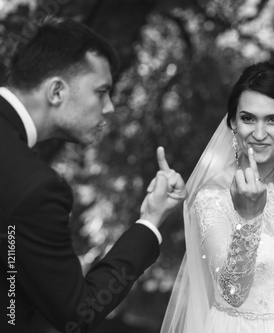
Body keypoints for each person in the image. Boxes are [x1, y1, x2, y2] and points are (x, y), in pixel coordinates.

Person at [0, 18, 187, 333]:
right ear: (57, 90)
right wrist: (151, 220)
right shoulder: (36, 188)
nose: (110, 107)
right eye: (101, 92)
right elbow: (77, 313)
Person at [161, 62, 274, 333]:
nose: (259, 134)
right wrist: (249, 218)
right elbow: (232, 293)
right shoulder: (212, 196)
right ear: (233, 123)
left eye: (273, 119)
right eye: (248, 118)